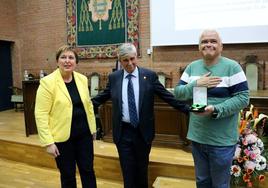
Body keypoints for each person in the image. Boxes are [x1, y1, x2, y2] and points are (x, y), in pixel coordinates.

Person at [92, 43, 189, 188]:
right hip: (122, 132)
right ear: (120, 60)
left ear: (136, 57)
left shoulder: (148, 76)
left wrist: (189, 109)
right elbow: (101, 97)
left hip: (143, 132)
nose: (130, 63)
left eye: (132, 59)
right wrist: (79, 107)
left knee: (142, 170)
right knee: (127, 171)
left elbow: (167, 97)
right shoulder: (114, 78)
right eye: (125, 60)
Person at [174, 29, 249, 188]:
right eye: (204, 41)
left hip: (221, 141)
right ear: (199, 47)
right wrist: (196, 84)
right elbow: (179, 94)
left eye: (213, 41)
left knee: (220, 185)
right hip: (197, 138)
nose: (208, 44)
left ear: (221, 47)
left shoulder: (232, 67)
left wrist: (215, 109)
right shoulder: (192, 67)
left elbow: (243, 99)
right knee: (202, 182)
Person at [35, 45, 97, 188]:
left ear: (76, 62)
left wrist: (93, 128)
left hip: (84, 135)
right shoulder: (47, 83)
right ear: (57, 61)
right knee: (68, 175)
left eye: (71, 57)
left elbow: (88, 106)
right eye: (63, 57)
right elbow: (40, 114)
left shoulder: (82, 79)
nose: (67, 61)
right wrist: (48, 142)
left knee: (88, 171)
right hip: (62, 138)